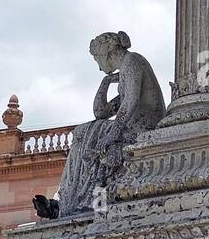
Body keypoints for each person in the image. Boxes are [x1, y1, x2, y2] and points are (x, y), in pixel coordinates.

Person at [33, 32, 165, 220]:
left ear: (107, 54)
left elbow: (130, 103)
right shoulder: (125, 70)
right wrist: (105, 83)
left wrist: (112, 135)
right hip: (131, 127)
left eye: (97, 60)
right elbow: (101, 112)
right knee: (85, 131)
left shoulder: (133, 61)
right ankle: (67, 200)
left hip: (143, 128)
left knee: (90, 134)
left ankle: (72, 202)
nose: (99, 66)